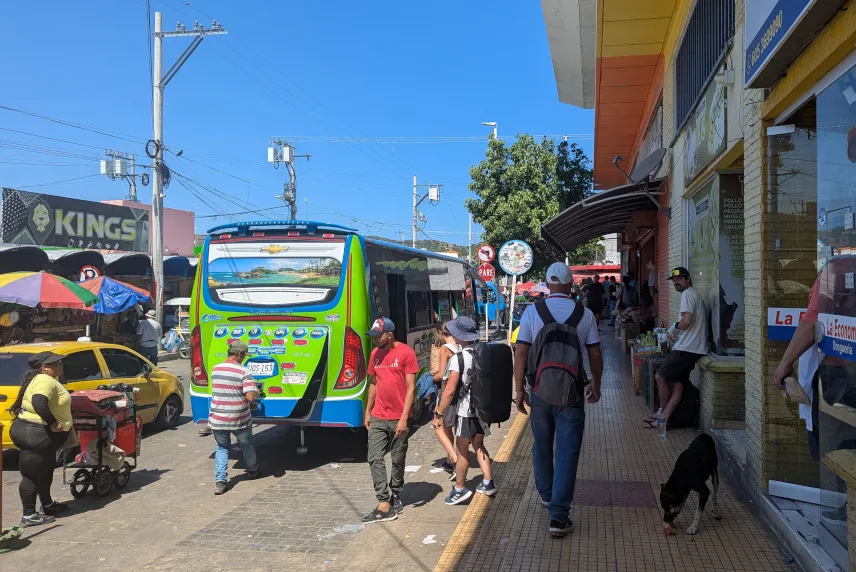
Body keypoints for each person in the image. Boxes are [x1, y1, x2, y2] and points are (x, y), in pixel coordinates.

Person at [513, 262, 603, 537]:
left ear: (548, 284)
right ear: (570, 283)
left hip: (540, 392)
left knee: (541, 445)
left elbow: (521, 353)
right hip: (572, 394)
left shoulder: (532, 312)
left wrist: (519, 391)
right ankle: (559, 517)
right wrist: (596, 385)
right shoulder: (584, 314)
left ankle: (547, 495)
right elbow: (596, 354)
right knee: (567, 452)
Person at [362, 317, 419, 524]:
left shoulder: (406, 352)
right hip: (378, 415)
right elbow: (373, 384)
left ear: (389, 334)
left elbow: (411, 388)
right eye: (374, 336)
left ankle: (396, 492)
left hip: (399, 417)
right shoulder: (375, 354)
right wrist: (368, 411)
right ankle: (383, 502)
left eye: (379, 335)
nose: (376, 339)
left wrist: (404, 418)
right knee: (374, 457)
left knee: (397, 458)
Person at [8, 351, 73, 527]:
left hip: (35, 433)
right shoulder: (44, 380)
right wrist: (53, 422)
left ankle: (48, 504)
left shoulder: (44, 380)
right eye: (56, 363)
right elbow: (38, 402)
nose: (60, 366)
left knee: (45, 470)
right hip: (35, 433)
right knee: (32, 476)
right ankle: (29, 515)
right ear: (45, 367)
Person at [437, 316, 497, 504]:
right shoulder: (485, 353)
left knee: (462, 450)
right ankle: (488, 482)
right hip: (483, 409)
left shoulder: (459, 358)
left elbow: (450, 389)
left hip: (466, 411)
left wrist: (439, 411)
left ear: (459, 336)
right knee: (478, 444)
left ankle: (460, 489)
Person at [644, 267, 708, 429]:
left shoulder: (687, 294)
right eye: (673, 280)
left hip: (687, 348)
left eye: (679, 279)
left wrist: (674, 327)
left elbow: (686, 321)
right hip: (693, 348)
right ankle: (664, 419)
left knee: (660, 376)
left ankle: (661, 412)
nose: (676, 282)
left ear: (688, 280)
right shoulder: (693, 295)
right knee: (677, 384)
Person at [208, 340, 260, 495]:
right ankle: (252, 471)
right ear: (238, 354)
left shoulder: (215, 369)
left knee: (222, 448)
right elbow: (249, 397)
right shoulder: (244, 372)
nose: (243, 358)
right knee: (246, 444)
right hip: (239, 418)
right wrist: (254, 401)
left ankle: (220, 482)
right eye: (243, 355)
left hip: (218, 418)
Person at [431, 322, 460, 479]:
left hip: (447, 390)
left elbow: (441, 375)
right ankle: (450, 460)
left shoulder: (445, 349)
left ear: (442, 334)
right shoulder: (461, 346)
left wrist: (430, 378)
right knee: (450, 427)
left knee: (438, 425)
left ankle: (456, 462)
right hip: (460, 390)